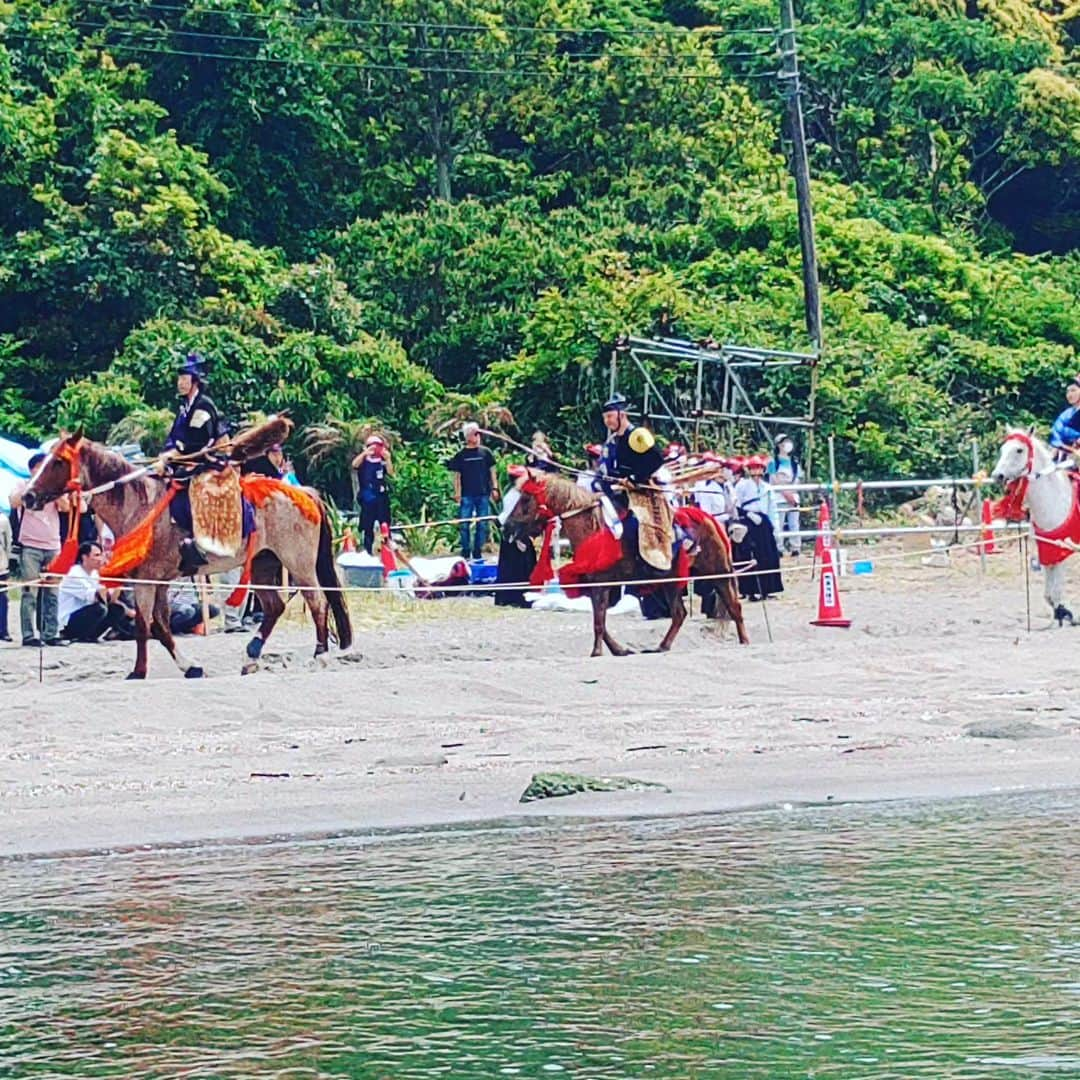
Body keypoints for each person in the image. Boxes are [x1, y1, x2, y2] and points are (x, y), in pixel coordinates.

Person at [162, 353, 228, 575]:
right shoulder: (184, 408)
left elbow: (197, 439)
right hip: (184, 461)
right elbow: (174, 436)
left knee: (196, 489)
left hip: (206, 461)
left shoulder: (203, 405)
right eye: (179, 378)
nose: (180, 382)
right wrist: (165, 454)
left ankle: (199, 542)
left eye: (184, 378)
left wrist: (175, 453)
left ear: (195, 381)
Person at [9, 452, 69, 647]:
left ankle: (50, 632)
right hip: (30, 545)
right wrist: (31, 486)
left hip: (53, 545)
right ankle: (28, 635)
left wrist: (57, 491)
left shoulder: (53, 487)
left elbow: (66, 508)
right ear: (33, 468)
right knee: (30, 592)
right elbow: (14, 501)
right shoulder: (22, 484)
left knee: (52, 592)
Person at [57, 541, 135, 642]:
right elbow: (98, 596)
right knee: (100, 609)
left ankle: (91, 636)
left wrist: (118, 578)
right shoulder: (75, 573)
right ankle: (76, 635)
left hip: (86, 612)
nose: (101, 559)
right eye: (97, 555)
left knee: (117, 609)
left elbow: (111, 598)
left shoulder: (94, 573)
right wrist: (111, 573)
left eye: (101, 555)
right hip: (69, 619)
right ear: (84, 557)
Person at [732, 454, 783, 600]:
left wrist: (775, 527)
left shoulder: (766, 487)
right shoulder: (742, 485)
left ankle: (768, 588)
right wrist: (747, 515)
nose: (756, 471)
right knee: (748, 555)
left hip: (764, 522)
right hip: (749, 521)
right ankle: (750, 590)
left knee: (768, 555)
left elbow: (772, 508)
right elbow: (736, 504)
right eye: (753, 468)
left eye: (759, 468)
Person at [446, 422, 499, 561]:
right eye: (475, 433)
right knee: (464, 524)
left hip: (483, 493)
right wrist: (457, 492)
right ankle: (465, 550)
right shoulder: (460, 455)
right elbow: (456, 476)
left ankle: (477, 550)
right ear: (468, 436)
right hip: (466, 494)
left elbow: (492, 471)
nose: (478, 436)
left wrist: (495, 487)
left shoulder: (486, 453)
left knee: (483, 524)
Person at [352, 435, 392, 555]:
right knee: (367, 526)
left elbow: (390, 472)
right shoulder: (364, 461)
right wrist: (365, 453)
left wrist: (388, 458)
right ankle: (367, 550)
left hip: (381, 497)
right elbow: (354, 465)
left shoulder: (382, 462)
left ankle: (387, 549)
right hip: (367, 498)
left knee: (385, 523)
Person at [768, 433, 803, 557]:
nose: (787, 444)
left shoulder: (794, 461)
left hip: (793, 497)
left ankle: (796, 547)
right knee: (779, 523)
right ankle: (779, 548)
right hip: (778, 497)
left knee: (794, 523)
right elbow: (773, 479)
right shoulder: (773, 462)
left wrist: (791, 492)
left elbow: (797, 478)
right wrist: (785, 492)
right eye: (784, 442)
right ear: (778, 445)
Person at [1049, 377, 1080, 457]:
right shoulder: (1066, 414)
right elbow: (1056, 431)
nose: (1069, 394)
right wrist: (1058, 445)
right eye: (1067, 391)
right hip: (1062, 453)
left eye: (1073, 390)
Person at [0, 507, 12, 641]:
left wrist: (6, 561)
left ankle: (3, 630)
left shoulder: (3, 520)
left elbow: (8, 542)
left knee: (2, 598)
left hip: (1, 565)